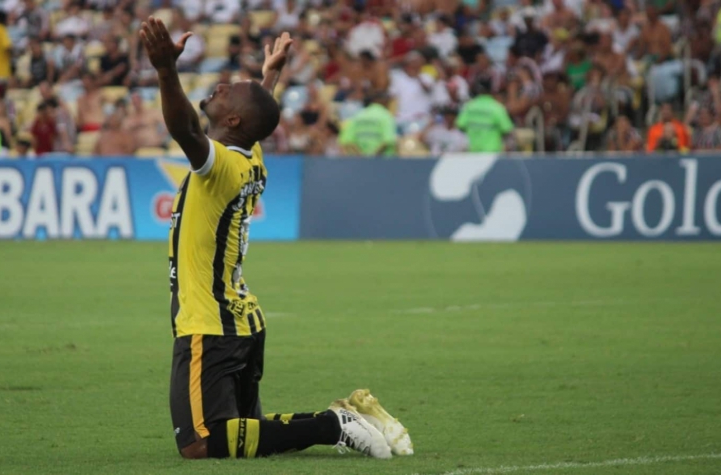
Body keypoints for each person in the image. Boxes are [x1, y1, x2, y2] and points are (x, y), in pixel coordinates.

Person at [139, 20, 409, 460]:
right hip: (242, 321)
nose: (222, 84)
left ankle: (333, 424)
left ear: (231, 120)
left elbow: (187, 130)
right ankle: (347, 419)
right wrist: (269, 77)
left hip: (211, 326)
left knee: (200, 443)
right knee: (248, 433)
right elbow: (253, 117)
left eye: (229, 91)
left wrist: (167, 70)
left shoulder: (221, 164)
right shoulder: (250, 154)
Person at [456, 76, 514, 152]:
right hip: (492, 154)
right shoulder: (497, 107)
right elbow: (507, 129)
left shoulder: (469, 106)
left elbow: (460, 125)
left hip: (473, 153)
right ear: (491, 90)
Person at [337, 92, 397, 156]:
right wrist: (373, 157)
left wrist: (362, 157)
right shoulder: (386, 115)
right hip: (383, 162)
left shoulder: (358, 115)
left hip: (360, 162)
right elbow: (387, 141)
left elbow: (348, 141)